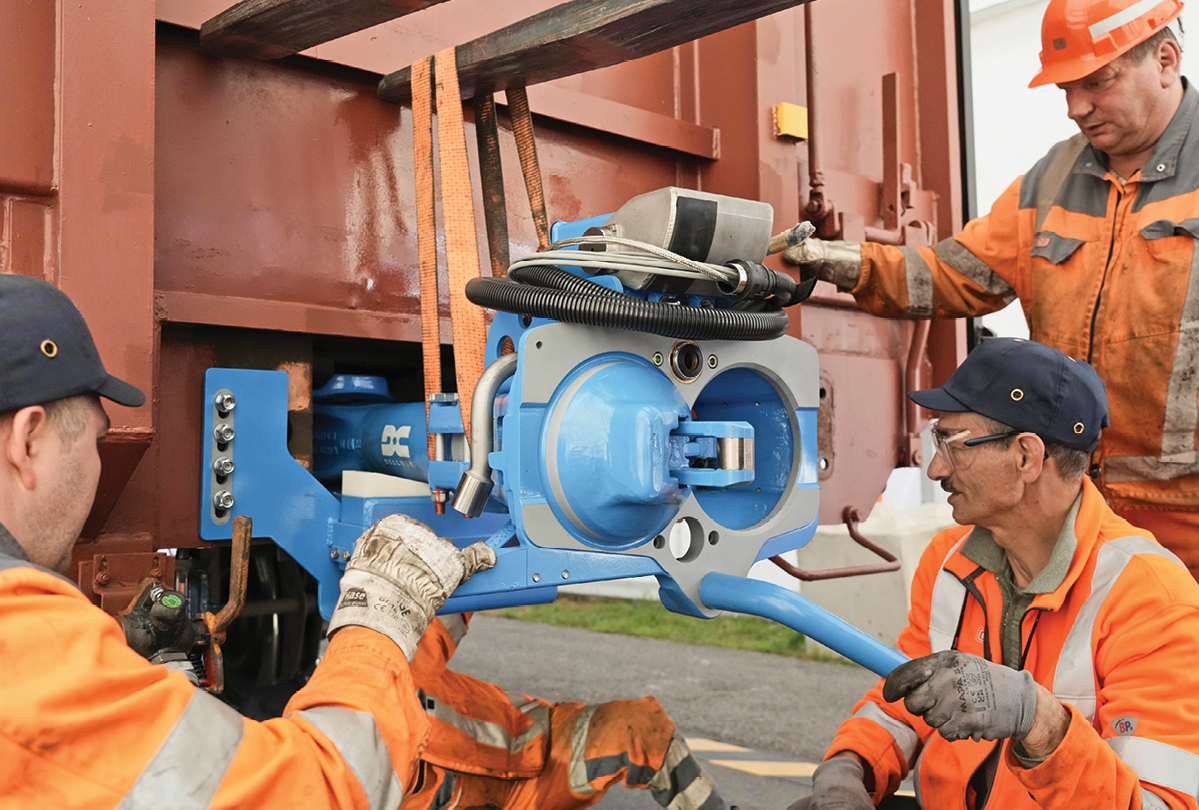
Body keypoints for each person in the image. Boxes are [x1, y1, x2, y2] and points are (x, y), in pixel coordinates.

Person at [0, 273, 495, 807]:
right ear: (27, 440)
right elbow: (313, 790)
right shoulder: (22, 639)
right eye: (98, 440)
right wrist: (377, 625)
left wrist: (105, 656)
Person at [784, 0, 1199, 580]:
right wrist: (837, 263)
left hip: (1187, 516)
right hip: (1074, 506)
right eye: (1066, 89)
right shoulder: (1051, 180)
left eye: (1096, 82)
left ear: (1165, 59)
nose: (1077, 107)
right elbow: (951, 273)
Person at [790, 338, 1199, 810]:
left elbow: (1158, 805)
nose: (936, 467)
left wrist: (1040, 722)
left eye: (953, 443)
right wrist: (851, 766)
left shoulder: (1153, 601)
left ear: (1026, 456)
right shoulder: (950, 561)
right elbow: (903, 700)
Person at [401, 612, 732, 810]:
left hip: (547, 751)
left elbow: (441, 590)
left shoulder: (381, 661)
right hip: (481, 800)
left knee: (639, 729)